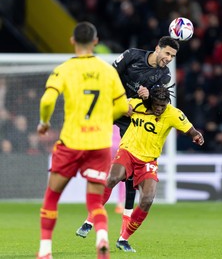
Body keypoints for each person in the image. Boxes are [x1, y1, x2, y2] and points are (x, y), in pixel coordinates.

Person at [36, 21, 129, 259]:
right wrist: (101, 117)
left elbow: (47, 100)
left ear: (72, 41)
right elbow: (121, 106)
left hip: (71, 142)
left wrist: (44, 123)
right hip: (98, 144)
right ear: (96, 42)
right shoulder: (108, 70)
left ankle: (45, 251)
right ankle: (102, 239)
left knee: (52, 197)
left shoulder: (65, 69)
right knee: (95, 202)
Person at [76, 35, 180, 238]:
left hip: (131, 117)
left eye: (173, 56)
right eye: (167, 53)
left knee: (131, 166)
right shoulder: (132, 56)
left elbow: (157, 102)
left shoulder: (164, 75)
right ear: (157, 48)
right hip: (112, 106)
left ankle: (126, 216)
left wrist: (147, 96)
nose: (168, 58)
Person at [80, 84, 204, 252]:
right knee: (113, 178)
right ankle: (90, 219)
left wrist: (196, 136)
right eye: (157, 105)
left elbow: (190, 130)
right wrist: (122, 108)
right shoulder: (137, 104)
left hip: (148, 161)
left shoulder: (174, 114)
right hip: (128, 151)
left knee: (148, 199)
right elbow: (117, 105)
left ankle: (123, 239)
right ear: (150, 101)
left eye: (163, 105)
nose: (160, 108)